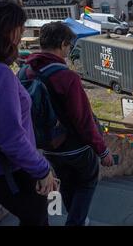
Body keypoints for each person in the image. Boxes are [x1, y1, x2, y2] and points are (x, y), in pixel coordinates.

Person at [23, 22, 114, 226]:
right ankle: (76, 221)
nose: (69, 50)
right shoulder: (67, 77)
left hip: (47, 148)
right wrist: (103, 151)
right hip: (75, 147)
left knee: (66, 184)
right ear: (63, 44)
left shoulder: (24, 72)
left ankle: (76, 217)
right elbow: (83, 120)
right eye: (69, 45)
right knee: (87, 182)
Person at [0, 0, 58, 226]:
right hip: (5, 168)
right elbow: (11, 138)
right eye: (19, 28)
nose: (22, 34)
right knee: (37, 218)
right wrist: (43, 169)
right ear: (6, 31)